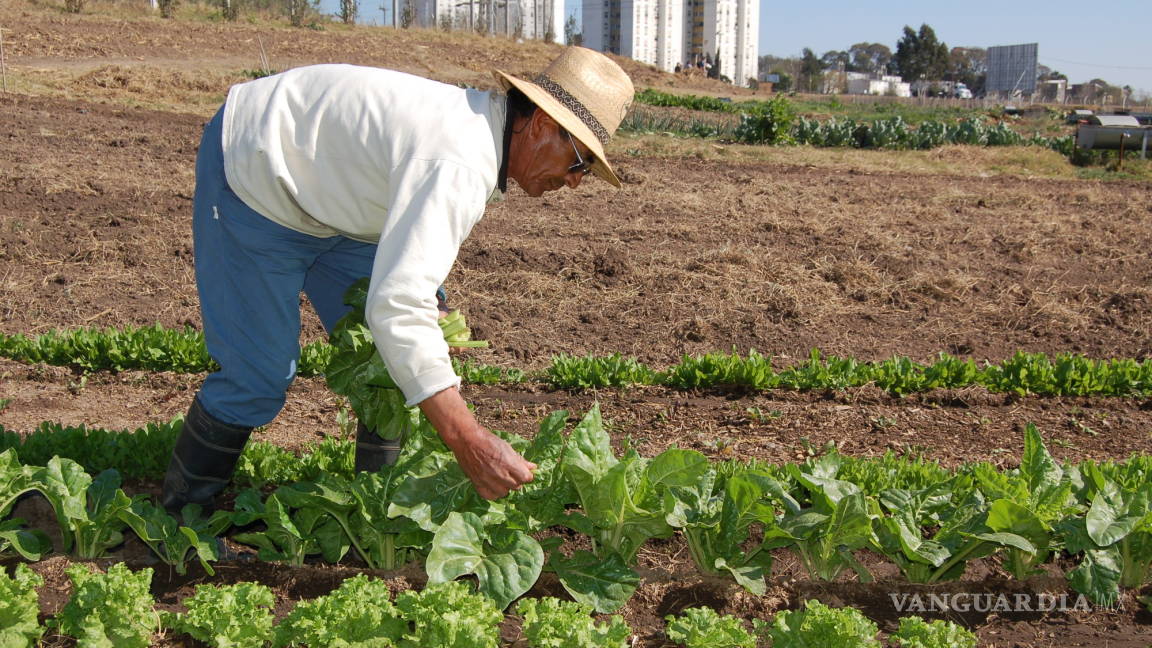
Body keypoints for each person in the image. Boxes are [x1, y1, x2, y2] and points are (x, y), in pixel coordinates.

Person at [161, 47, 635, 511]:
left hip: (333, 198)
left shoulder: (477, 140)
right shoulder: (458, 161)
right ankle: (181, 520)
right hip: (258, 169)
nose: (576, 180)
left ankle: (378, 509)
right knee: (259, 372)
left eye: (587, 170)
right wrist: (466, 437)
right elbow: (398, 304)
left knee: (389, 360)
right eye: (579, 162)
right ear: (541, 125)